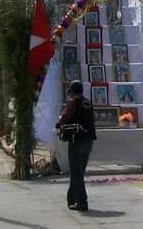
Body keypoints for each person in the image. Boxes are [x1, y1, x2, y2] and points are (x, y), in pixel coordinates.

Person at [57, 80, 96, 212]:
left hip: (77, 140)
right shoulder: (88, 102)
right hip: (89, 140)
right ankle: (71, 199)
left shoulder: (72, 101)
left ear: (72, 91)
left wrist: (59, 123)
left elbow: (66, 116)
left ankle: (82, 202)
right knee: (79, 172)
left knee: (76, 173)